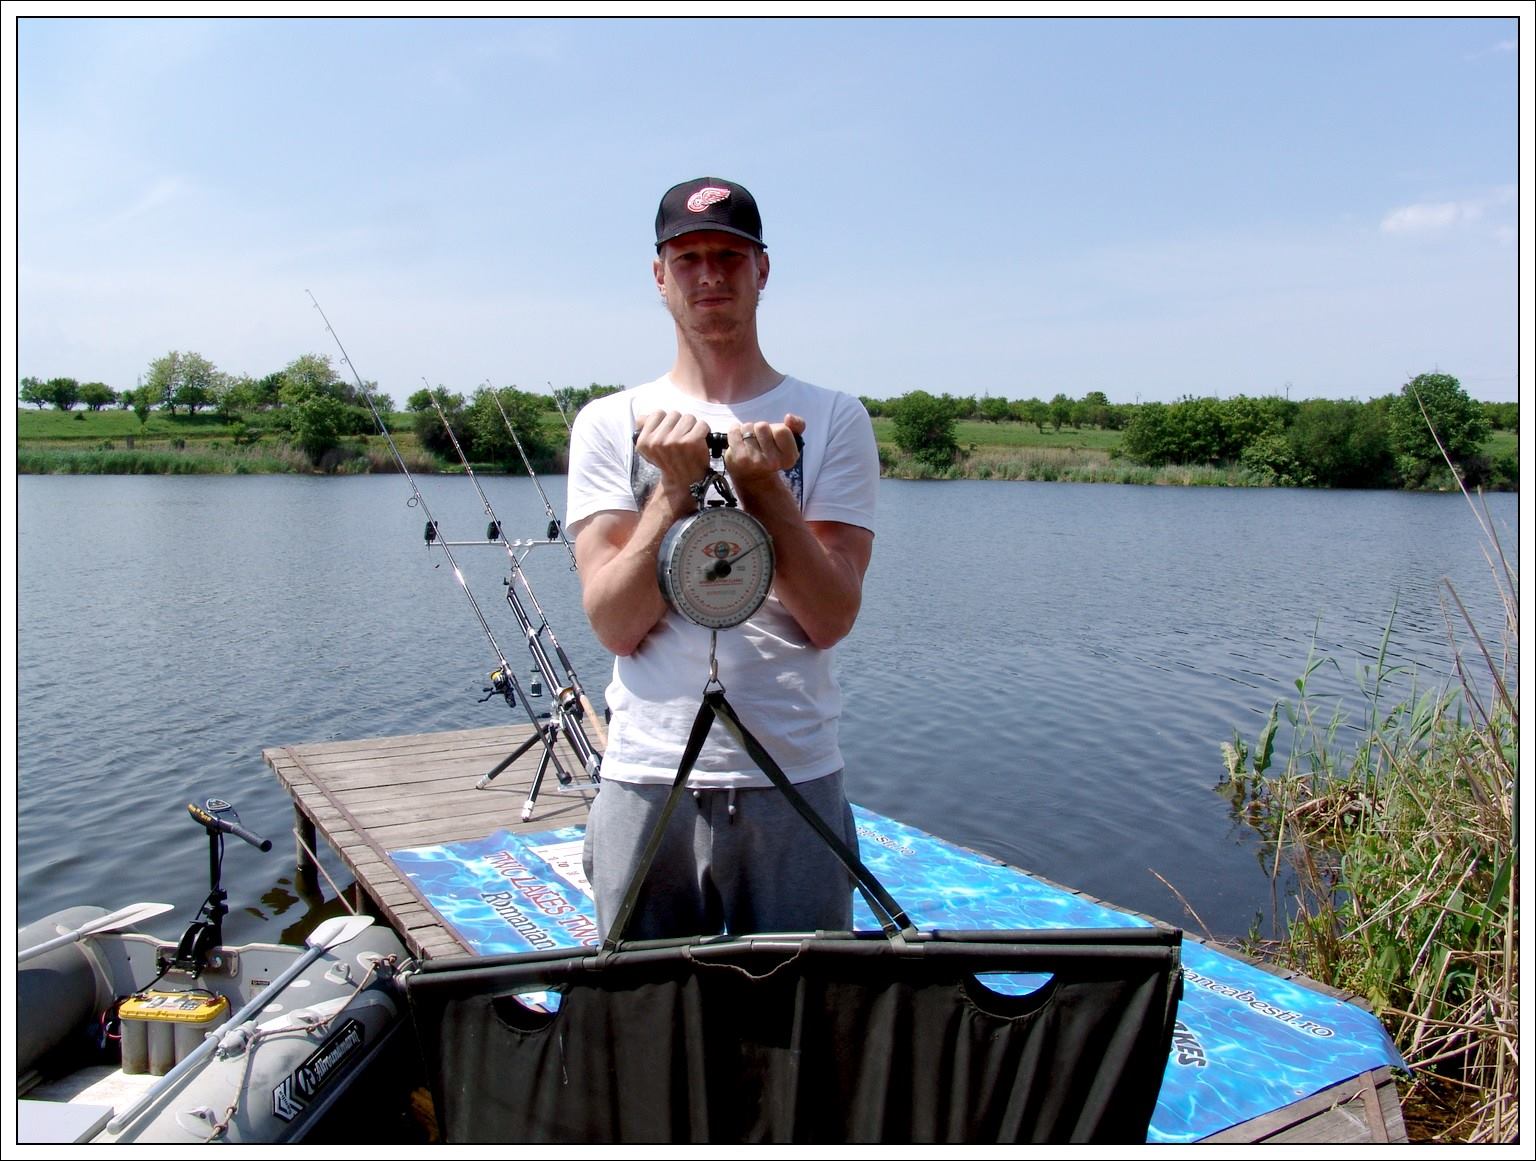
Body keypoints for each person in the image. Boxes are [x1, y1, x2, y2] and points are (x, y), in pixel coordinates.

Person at [565, 176, 880, 941]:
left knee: (803, 1020)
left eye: (731, 257)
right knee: (643, 1023)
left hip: (793, 773)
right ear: (660, 274)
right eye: (690, 256)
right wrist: (671, 493)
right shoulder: (610, 424)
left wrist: (763, 487)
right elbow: (614, 622)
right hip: (646, 776)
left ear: (762, 271)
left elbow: (830, 616)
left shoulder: (833, 419)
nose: (710, 275)